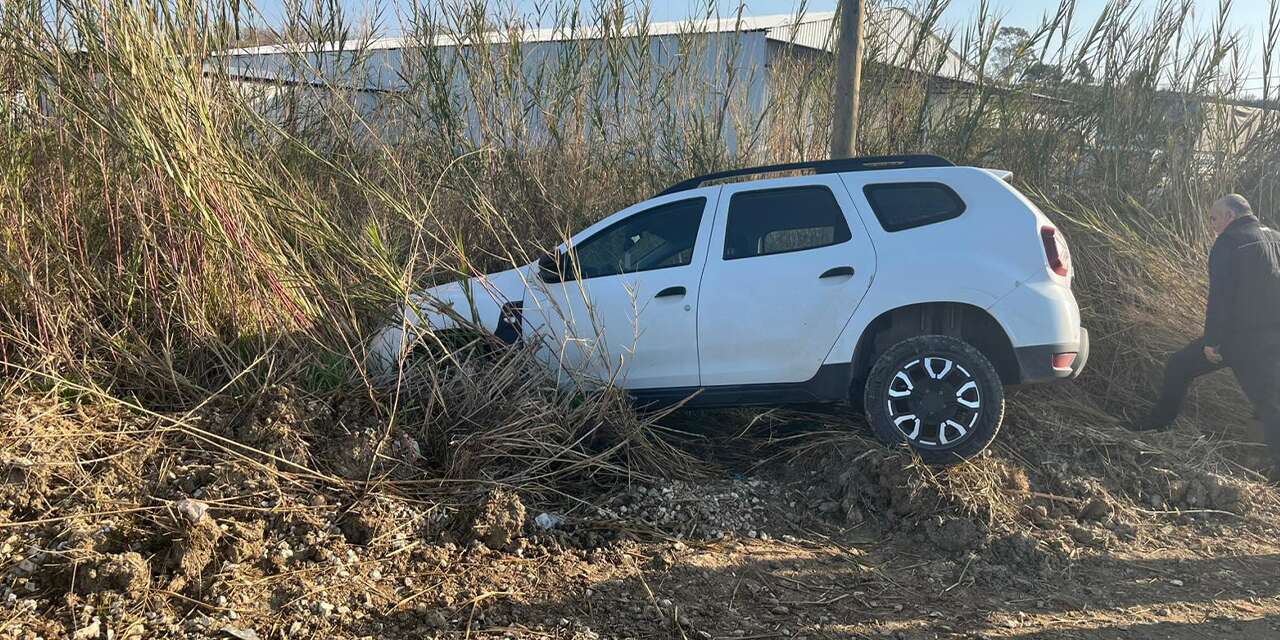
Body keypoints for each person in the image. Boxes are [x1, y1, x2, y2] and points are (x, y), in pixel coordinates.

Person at [1131, 194, 1280, 470]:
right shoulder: (1274, 236)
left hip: (1237, 341)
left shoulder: (1229, 243)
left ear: (1230, 216)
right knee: (1270, 402)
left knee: (1179, 366)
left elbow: (1220, 297)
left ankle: (1157, 424)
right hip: (1272, 338)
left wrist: (1212, 341)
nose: (1211, 224)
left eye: (1214, 218)